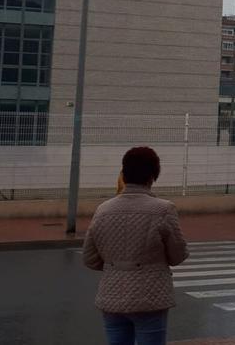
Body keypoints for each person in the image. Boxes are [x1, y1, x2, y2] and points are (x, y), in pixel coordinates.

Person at [83, 147, 190, 345]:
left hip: (112, 295)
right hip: (150, 297)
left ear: (124, 174)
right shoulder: (163, 209)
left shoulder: (103, 210)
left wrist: (115, 267)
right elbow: (178, 255)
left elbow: (89, 258)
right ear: (153, 175)